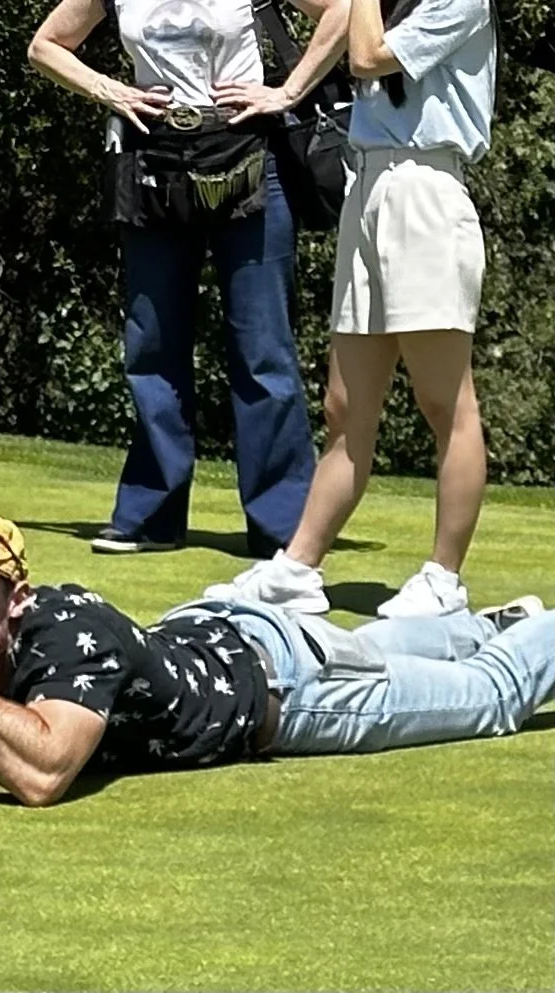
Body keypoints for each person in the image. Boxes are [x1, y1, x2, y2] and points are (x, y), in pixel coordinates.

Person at [0, 505, 555, 807]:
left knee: (489, 697)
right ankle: (484, 624)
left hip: (283, 684)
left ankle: (517, 636)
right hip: (215, 622)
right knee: (395, 645)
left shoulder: (66, 626)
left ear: (17, 600)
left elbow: (41, 774)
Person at [26, 0, 349, 560]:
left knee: (262, 348)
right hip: (153, 161)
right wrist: (114, 93)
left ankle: (282, 525)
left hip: (248, 155)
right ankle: (150, 516)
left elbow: (345, 11)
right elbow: (45, 46)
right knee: (151, 344)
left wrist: (287, 92)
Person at [217, 0, 497, 616]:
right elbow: (335, 14)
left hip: (425, 189)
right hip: (366, 190)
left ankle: (444, 580)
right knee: (345, 406)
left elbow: (368, 56)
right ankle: (296, 569)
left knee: (444, 403)